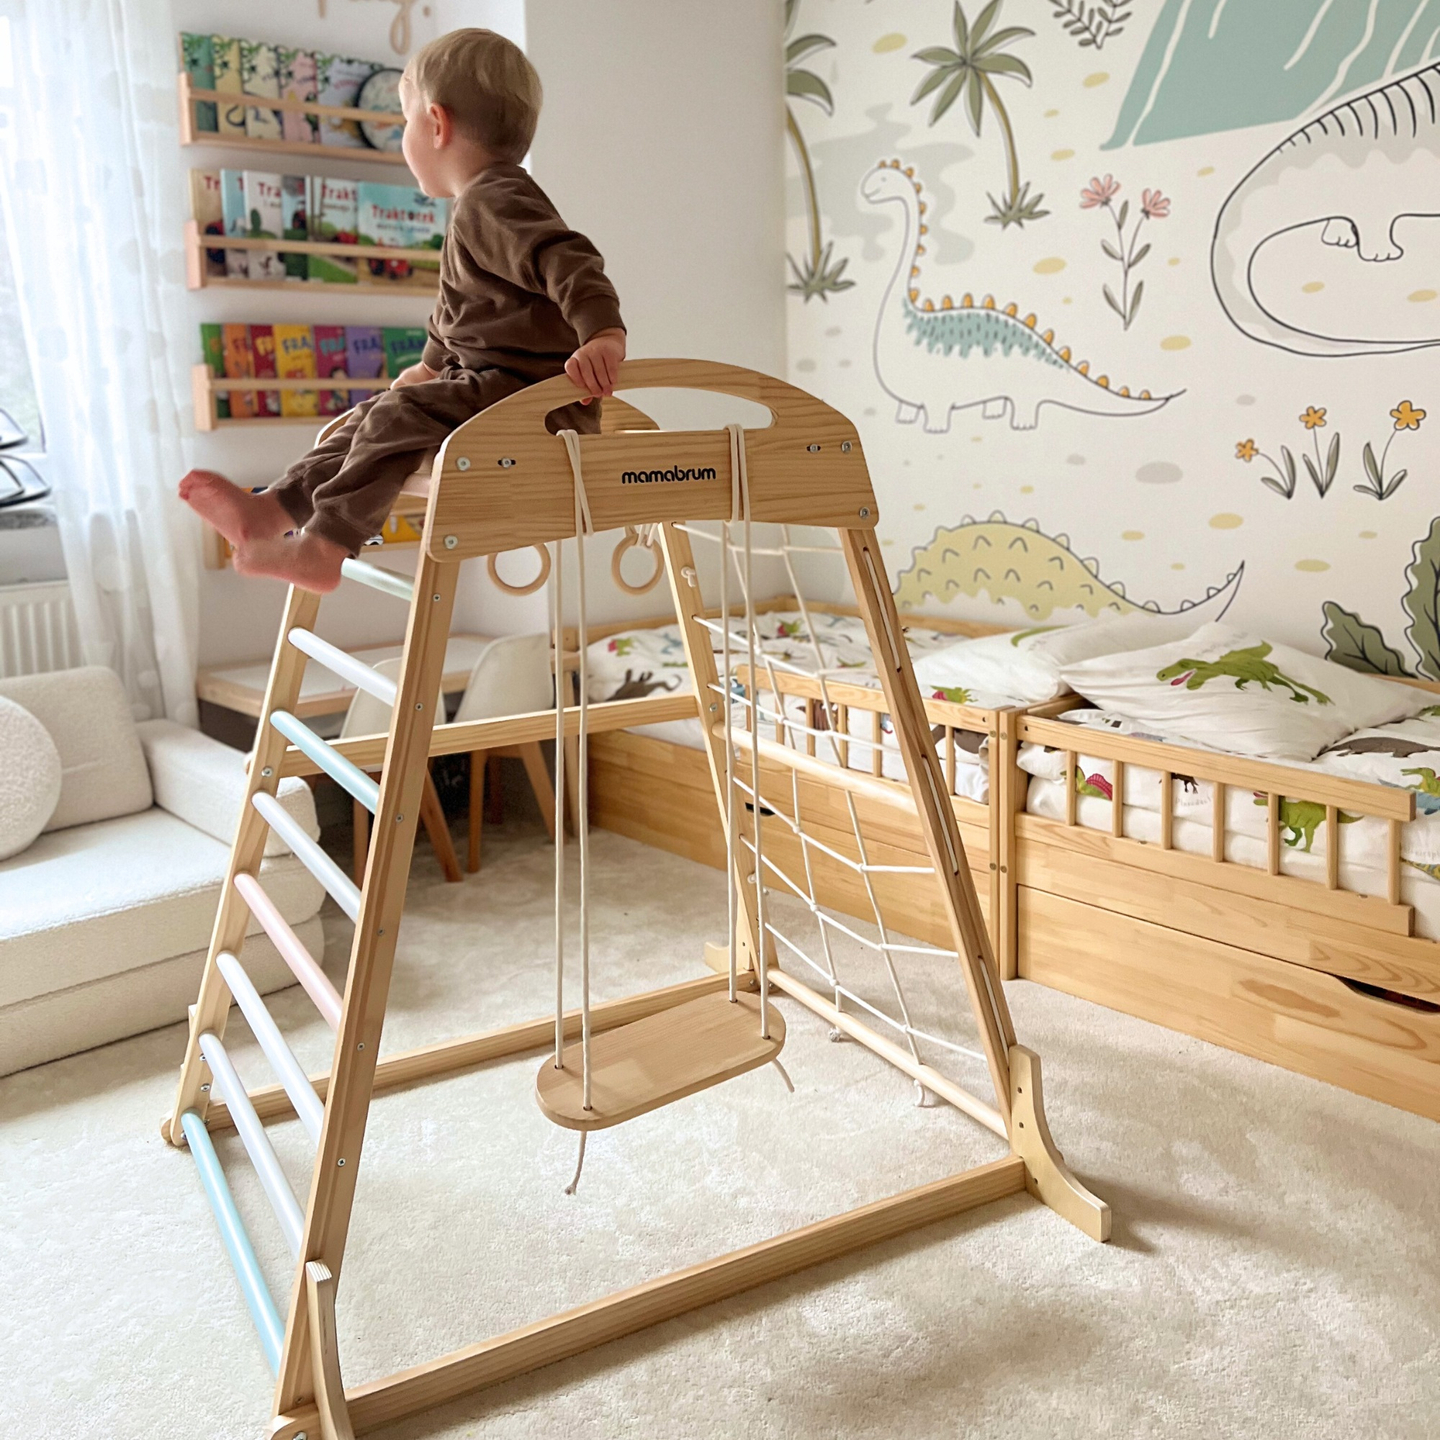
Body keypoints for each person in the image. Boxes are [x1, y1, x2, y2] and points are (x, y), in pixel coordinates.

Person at [180, 28, 626, 592]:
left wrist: (603, 333)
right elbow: (463, 321)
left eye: (404, 123)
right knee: (376, 414)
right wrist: (428, 368)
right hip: (489, 389)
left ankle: (324, 547)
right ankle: (272, 511)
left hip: (532, 406)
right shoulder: (479, 207)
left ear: (436, 125)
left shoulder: (495, 199)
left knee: (394, 416)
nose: (404, 139)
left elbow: (568, 259)